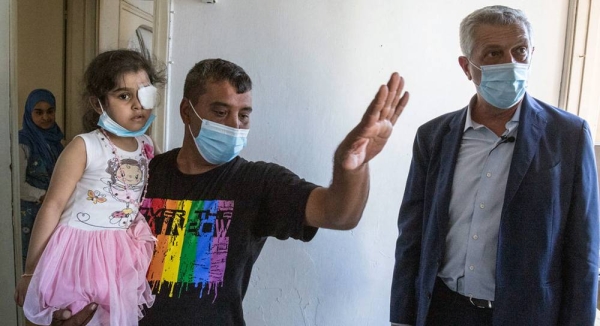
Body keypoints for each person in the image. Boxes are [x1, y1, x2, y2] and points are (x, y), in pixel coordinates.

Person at [49, 58, 409, 325]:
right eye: (220, 112)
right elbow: (80, 236)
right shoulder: (142, 173)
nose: (234, 126)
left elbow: (339, 214)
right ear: (186, 113)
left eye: (244, 115)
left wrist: (354, 165)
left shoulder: (258, 183)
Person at [390, 5, 599, 326]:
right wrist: (403, 317)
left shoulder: (568, 136)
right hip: (444, 311)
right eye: (493, 53)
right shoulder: (434, 137)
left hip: (528, 315)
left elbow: (583, 250)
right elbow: (412, 236)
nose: (511, 64)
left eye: (520, 51)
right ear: (466, 66)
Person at [14, 49, 166, 325]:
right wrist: (30, 274)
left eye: (144, 94)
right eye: (123, 96)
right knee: (77, 316)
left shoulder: (147, 145)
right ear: (98, 104)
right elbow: (52, 205)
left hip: (122, 253)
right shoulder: (84, 146)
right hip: (80, 254)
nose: (137, 105)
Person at [18, 89, 64, 268]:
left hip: (54, 210)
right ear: (29, 113)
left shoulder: (57, 142)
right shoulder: (23, 142)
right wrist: (43, 195)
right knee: (31, 263)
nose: (45, 117)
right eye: (38, 112)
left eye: (50, 111)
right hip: (30, 214)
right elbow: (17, 185)